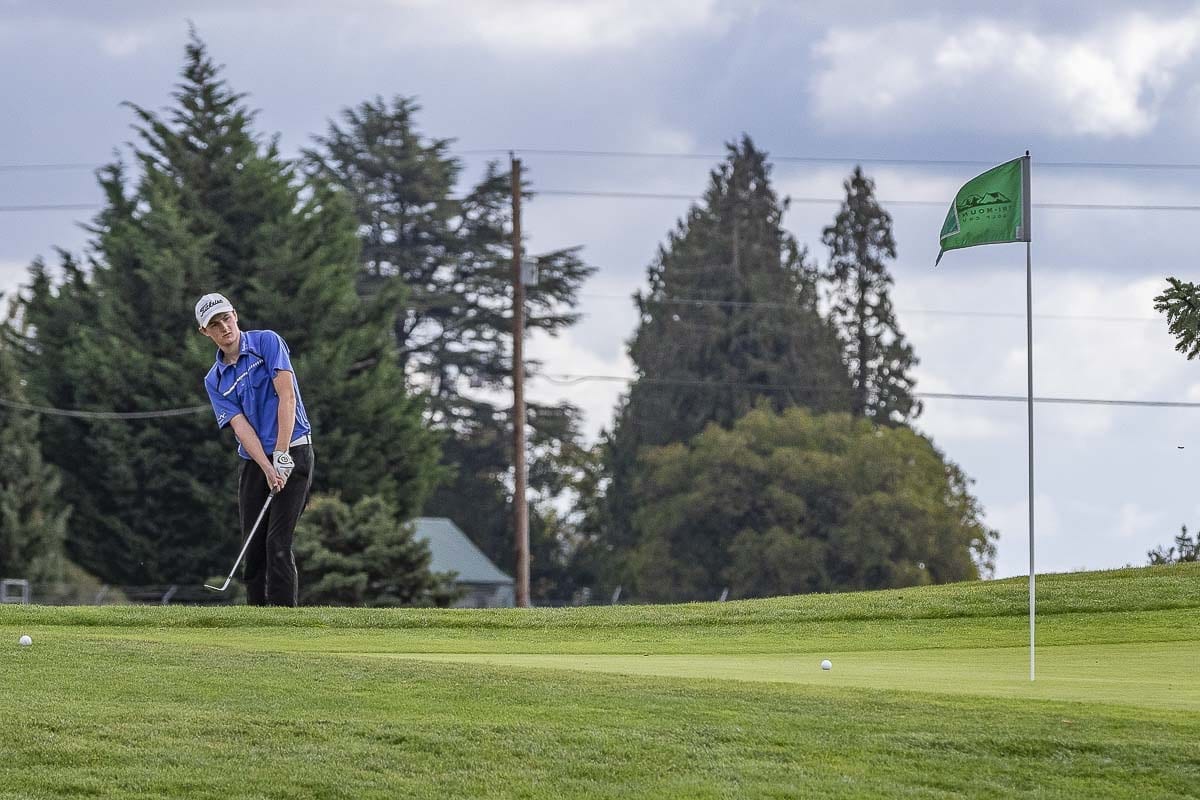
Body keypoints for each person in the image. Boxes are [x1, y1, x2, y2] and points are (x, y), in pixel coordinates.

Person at [196, 293, 314, 606]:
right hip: (255, 461)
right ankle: (256, 616)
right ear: (205, 332)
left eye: (226, 318)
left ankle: (282, 618)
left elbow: (287, 397)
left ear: (235, 315)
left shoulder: (267, 343)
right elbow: (240, 427)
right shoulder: (214, 379)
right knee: (253, 543)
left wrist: (282, 453)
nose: (224, 327)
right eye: (214, 324)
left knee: (277, 542)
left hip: (294, 449)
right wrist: (266, 466)